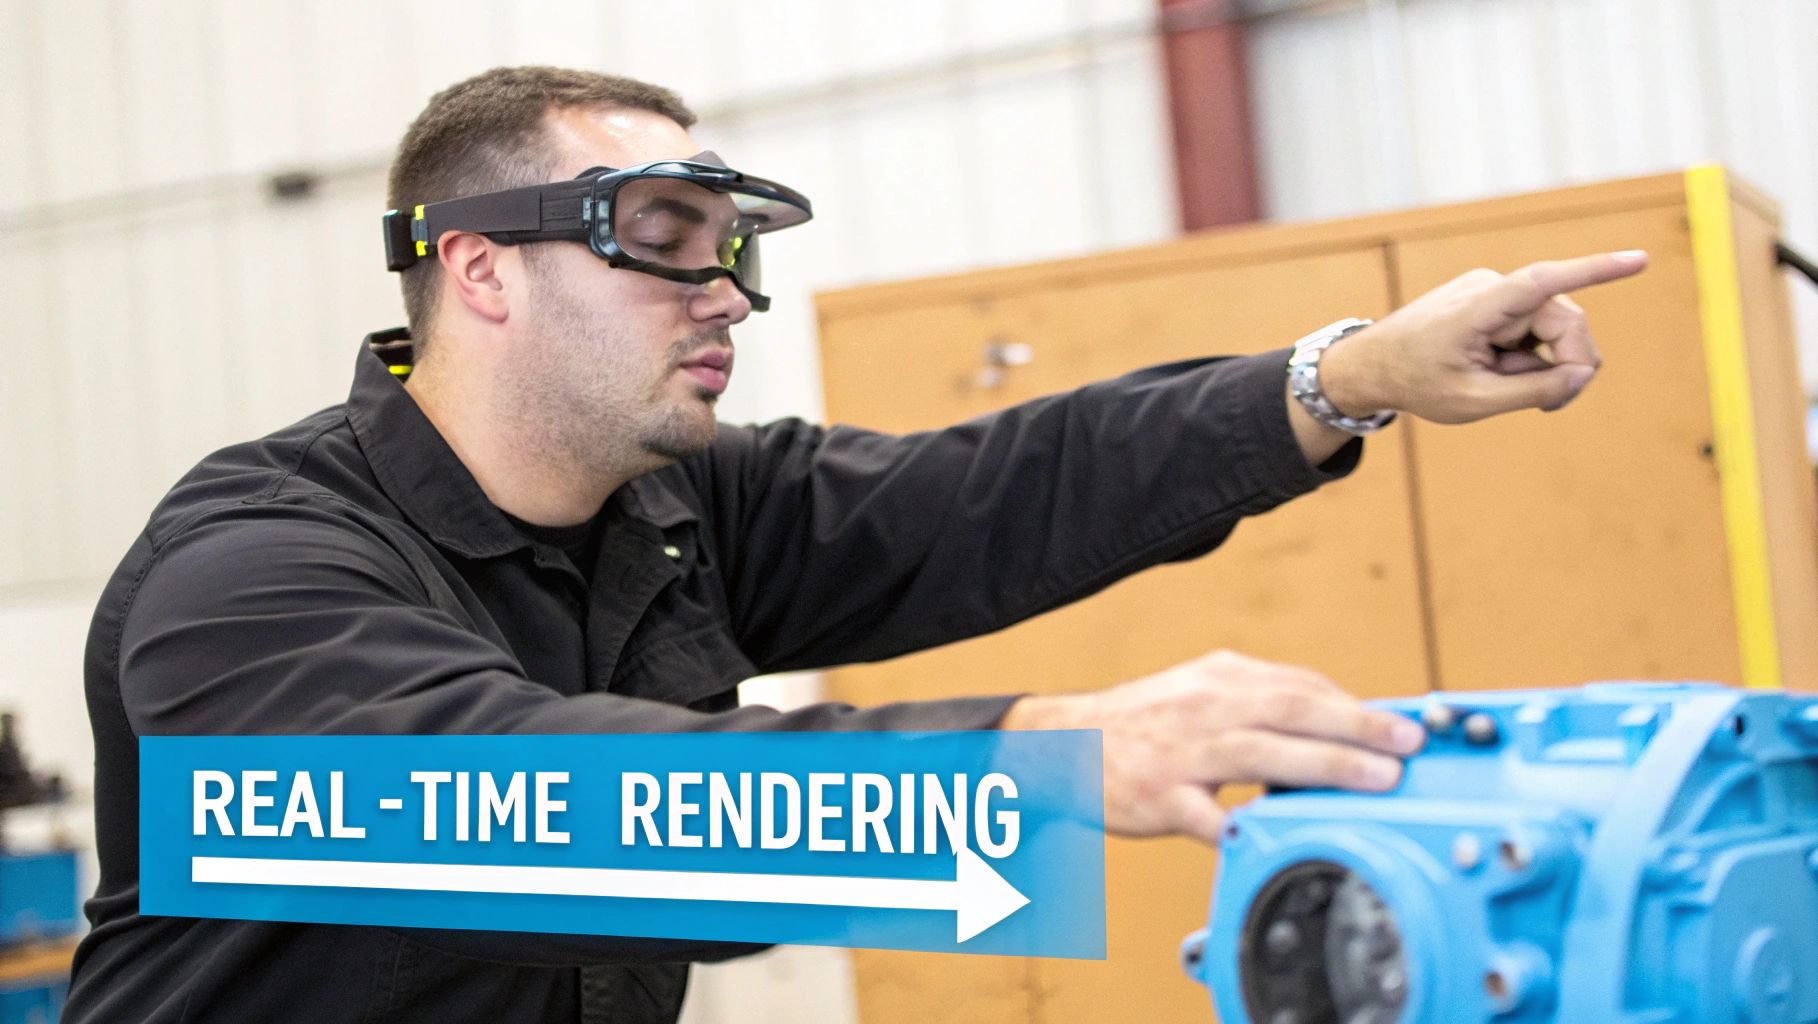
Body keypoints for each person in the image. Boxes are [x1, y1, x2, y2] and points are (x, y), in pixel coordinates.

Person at [63, 65, 1646, 1023]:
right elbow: (522, 808)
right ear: (479, 272)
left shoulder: (677, 512)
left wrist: (1346, 377)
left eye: (736, 249)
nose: (733, 293)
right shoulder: (252, 575)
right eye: (668, 239)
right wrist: (1042, 758)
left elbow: (998, 487)